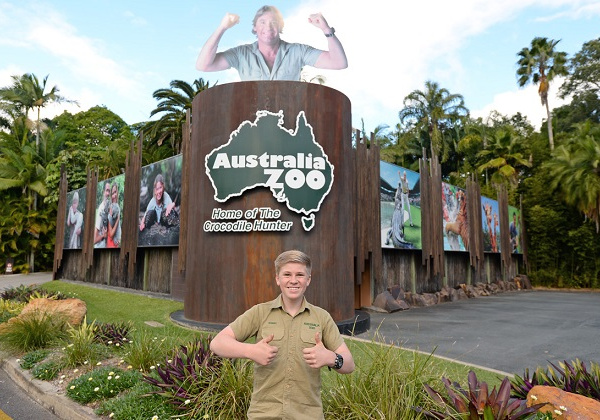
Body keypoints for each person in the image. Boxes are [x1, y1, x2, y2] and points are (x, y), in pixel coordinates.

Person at [210, 250, 355, 419]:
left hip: (307, 415)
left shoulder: (322, 317)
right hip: (264, 415)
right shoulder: (260, 312)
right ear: (278, 279)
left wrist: (331, 357)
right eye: (287, 274)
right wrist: (250, 351)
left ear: (308, 279)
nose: (293, 280)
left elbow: (349, 364)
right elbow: (217, 343)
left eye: (300, 275)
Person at [196, 5, 347, 81]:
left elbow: (339, 62)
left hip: (287, 125)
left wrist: (326, 29)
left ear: (280, 26)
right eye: (262, 22)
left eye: (273, 22)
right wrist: (222, 28)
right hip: (253, 126)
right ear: (255, 28)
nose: (268, 27)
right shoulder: (241, 54)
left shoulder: (298, 51)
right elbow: (203, 65)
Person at [94, 181, 111, 248]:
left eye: (109, 191)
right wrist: (103, 236)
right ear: (103, 192)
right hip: (99, 249)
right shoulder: (101, 210)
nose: (108, 193)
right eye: (107, 191)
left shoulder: (108, 207)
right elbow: (94, 240)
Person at [106, 182, 121, 248]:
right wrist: (117, 219)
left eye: (115, 192)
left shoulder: (117, 206)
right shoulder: (110, 208)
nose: (114, 195)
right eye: (112, 193)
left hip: (116, 244)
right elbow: (111, 234)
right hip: (111, 243)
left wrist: (119, 237)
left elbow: (118, 227)